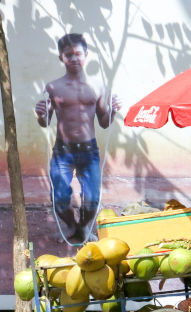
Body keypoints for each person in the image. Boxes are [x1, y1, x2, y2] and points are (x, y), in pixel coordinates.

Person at [35, 33, 120, 242]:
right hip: (62, 151)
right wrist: (40, 114)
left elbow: (104, 121)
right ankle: (72, 227)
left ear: (86, 54)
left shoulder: (99, 86)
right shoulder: (53, 87)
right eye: (68, 55)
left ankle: (82, 229)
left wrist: (114, 111)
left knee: (92, 199)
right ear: (61, 57)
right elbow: (45, 122)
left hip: (89, 150)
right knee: (60, 198)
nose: (74, 59)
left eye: (78, 54)